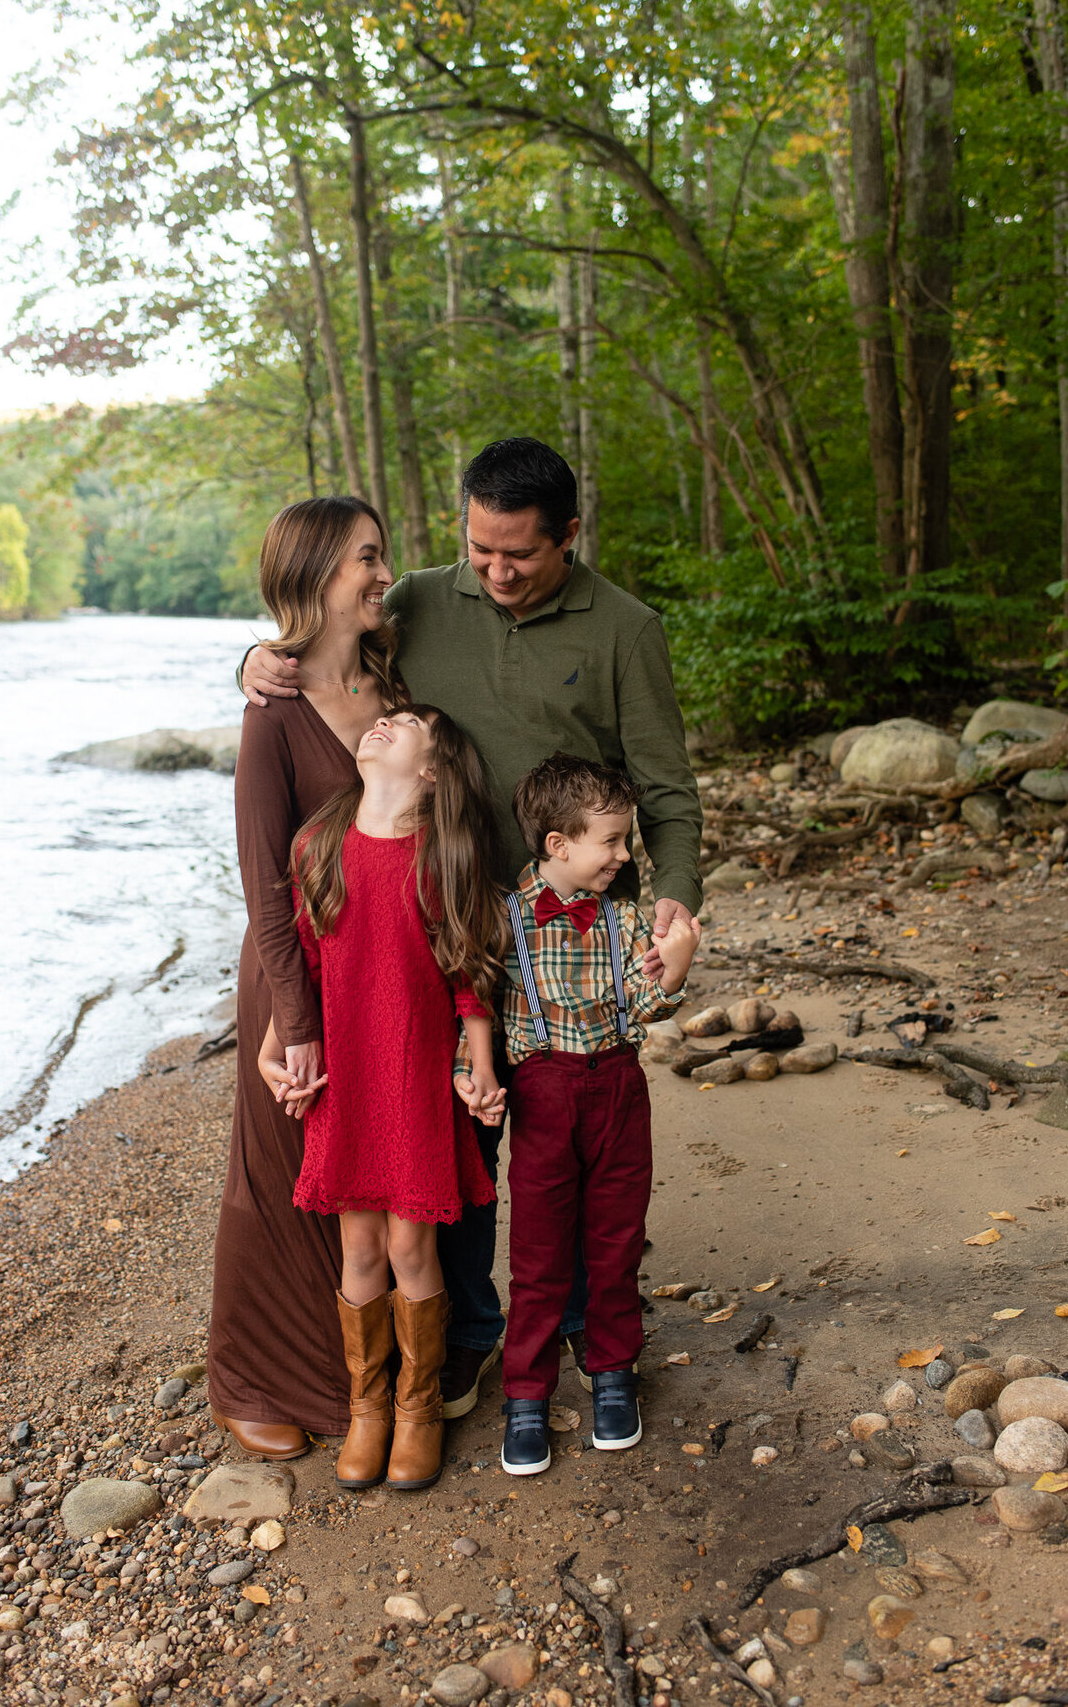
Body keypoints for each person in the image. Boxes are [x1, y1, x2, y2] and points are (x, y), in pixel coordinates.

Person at [240, 437, 704, 1416]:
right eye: (479, 549)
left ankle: (588, 1326)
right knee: (449, 1142)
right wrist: (255, 658)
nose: (493, 571)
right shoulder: (418, 601)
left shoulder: (626, 629)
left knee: (570, 1141)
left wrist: (678, 896)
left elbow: (668, 790)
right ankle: (470, 1336)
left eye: (519, 556)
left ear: (568, 537)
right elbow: (327, 636)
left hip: (567, 938)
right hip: (434, 919)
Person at [260, 706, 507, 1490]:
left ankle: (418, 1405)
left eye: (404, 725)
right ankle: (369, 1408)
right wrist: (274, 1047)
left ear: (433, 771)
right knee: (359, 1249)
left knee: (411, 1249)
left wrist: (477, 1070)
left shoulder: (440, 855)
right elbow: (299, 963)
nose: (381, 725)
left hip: (413, 1074)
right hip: (348, 1079)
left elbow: (469, 977)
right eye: (383, 717)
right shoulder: (319, 845)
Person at [208, 496, 402, 1458]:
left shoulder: (398, 673)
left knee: (368, 1168)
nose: (382, 573)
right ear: (316, 573)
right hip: (297, 978)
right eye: (366, 558)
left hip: (391, 973)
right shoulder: (272, 714)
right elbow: (263, 888)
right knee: (280, 1175)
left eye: (383, 555)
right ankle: (252, 1376)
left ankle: (360, 1375)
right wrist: (298, 1018)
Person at [492, 754, 697, 1476]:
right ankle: (526, 1396)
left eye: (625, 840)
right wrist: (471, 1074)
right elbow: (476, 1009)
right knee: (539, 1256)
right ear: (557, 845)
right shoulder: (503, 919)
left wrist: (675, 965)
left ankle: (614, 1374)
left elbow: (646, 1008)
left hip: (618, 1089)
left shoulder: (627, 919)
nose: (622, 855)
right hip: (542, 1094)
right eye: (611, 842)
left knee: (616, 1241)